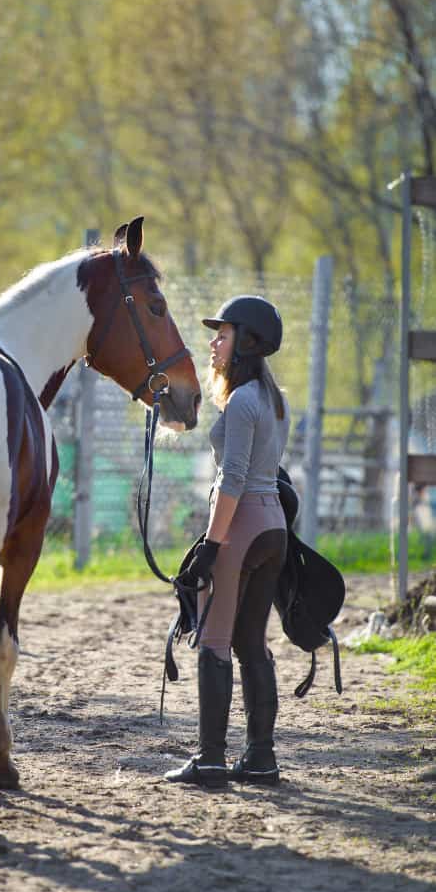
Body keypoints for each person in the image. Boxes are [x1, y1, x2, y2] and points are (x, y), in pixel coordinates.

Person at [165, 295, 289, 788]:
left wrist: (210, 548)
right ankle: (261, 758)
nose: (214, 343)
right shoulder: (274, 398)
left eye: (224, 334)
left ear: (248, 343)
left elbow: (232, 479)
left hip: (240, 528)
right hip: (273, 528)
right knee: (252, 644)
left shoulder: (241, 400)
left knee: (214, 642)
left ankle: (211, 758)